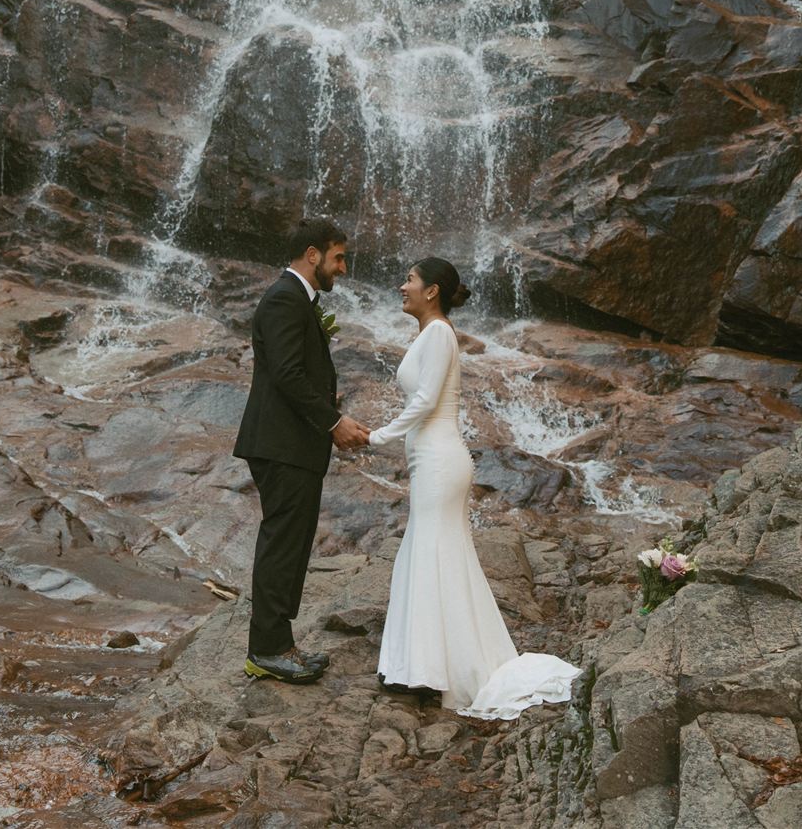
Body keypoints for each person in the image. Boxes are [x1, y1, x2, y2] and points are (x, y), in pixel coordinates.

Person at [369, 256, 579, 719]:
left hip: (441, 459)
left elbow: (425, 400)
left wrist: (376, 436)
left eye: (409, 279)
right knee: (431, 549)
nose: (401, 286)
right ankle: (420, 665)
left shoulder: (440, 332)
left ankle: (430, 670)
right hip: (431, 458)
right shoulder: (430, 333)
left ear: (432, 291)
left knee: (432, 548)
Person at [232, 218, 372, 684]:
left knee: (291, 547)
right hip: (282, 444)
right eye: (338, 257)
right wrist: (333, 422)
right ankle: (267, 650)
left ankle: (279, 644)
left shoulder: (296, 300)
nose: (344, 268)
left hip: (294, 443)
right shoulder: (283, 298)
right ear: (312, 255)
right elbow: (287, 374)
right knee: (281, 546)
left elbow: (292, 373)